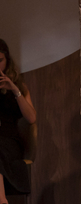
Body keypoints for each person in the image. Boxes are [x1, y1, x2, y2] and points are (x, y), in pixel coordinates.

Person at [0, 39, 36, 204]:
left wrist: (15, 90)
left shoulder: (19, 85)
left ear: (7, 60)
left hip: (10, 142)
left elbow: (31, 118)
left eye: (0, 60)